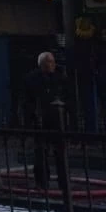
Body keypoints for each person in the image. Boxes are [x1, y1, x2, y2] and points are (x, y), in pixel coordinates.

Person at [22, 50, 69, 193]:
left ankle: (63, 182)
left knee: (60, 153)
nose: (53, 64)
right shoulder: (32, 78)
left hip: (57, 119)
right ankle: (42, 182)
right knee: (40, 152)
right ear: (42, 64)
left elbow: (66, 95)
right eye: (50, 61)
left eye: (53, 61)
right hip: (41, 119)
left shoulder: (60, 77)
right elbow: (27, 102)